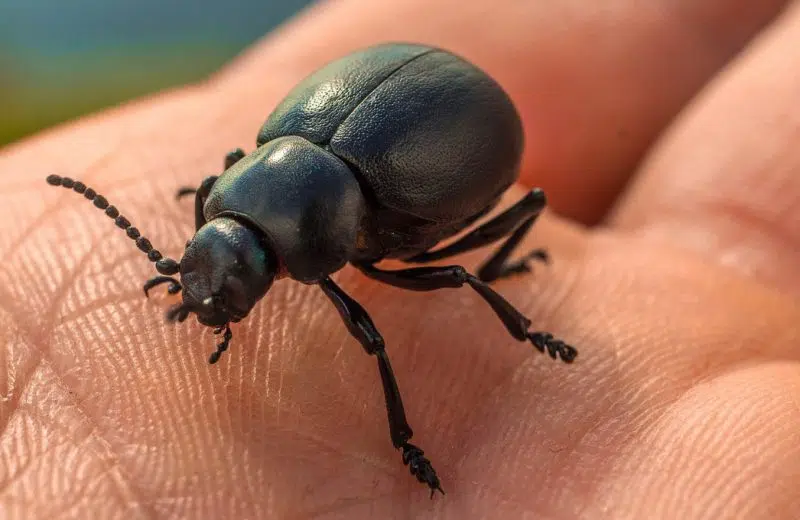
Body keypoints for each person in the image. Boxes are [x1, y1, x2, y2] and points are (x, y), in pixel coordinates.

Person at [1, 0, 798, 517]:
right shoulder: (257, 182)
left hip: (443, 132)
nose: (214, 297)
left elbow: (405, 275)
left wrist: (519, 322)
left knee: (464, 267)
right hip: (357, 125)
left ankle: (494, 349)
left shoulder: (344, 224)